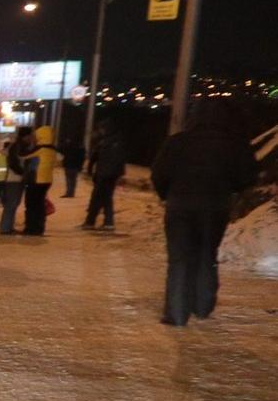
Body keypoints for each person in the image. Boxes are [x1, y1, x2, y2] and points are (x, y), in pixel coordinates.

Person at [151, 107, 258, 326]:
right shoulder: (235, 144)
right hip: (215, 206)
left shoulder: (178, 142)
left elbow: (159, 173)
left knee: (179, 258)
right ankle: (202, 305)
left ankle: (177, 313)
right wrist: (231, 189)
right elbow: (247, 177)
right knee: (206, 254)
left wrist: (167, 194)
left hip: (180, 205)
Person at [82, 124, 127, 230]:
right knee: (107, 197)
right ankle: (108, 222)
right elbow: (122, 160)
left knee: (96, 198)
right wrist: (120, 174)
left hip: (102, 174)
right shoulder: (120, 143)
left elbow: (93, 158)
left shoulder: (103, 143)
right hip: (113, 175)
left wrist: (90, 171)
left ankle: (90, 222)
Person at [22, 124, 57, 236]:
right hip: (47, 181)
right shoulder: (52, 150)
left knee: (31, 205)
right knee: (40, 205)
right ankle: (40, 228)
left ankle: (31, 228)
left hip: (36, 180)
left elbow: (23, 156)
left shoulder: (40, 149)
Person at [0, 127, 34, 235]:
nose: (32, 138)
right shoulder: (17, 147)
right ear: (25, 136)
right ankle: (5, 228)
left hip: (17, 179)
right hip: (13, 179)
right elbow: (13, 163)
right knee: (11, 204)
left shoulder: (21, 146)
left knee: (14, 203)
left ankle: (8, 227)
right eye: (30, 135)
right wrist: (22, 173)